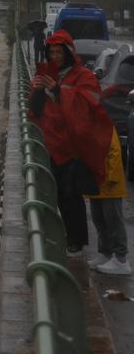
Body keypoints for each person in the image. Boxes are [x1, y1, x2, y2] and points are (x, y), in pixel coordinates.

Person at [30, 30, 116, 256]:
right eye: (52, 52)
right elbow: (35, 112)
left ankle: (76, 242)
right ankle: (59, 236)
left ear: (68, 53)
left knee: (72, 195)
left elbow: (89, 107)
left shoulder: (84, 76)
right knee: (54, 193)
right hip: (51, 144)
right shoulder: (47, 74)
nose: (55, 56)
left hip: (74, 146)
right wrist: (38, 91)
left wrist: (58, 91)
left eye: (59, 52)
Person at [91, 129, 130, 275]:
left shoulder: (104, 125)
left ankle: (121, 259)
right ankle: (105, 253)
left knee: (113, 220)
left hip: (108, 183)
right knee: (99, 219)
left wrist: (112, 177)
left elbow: (115, 151)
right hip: (98, 182)